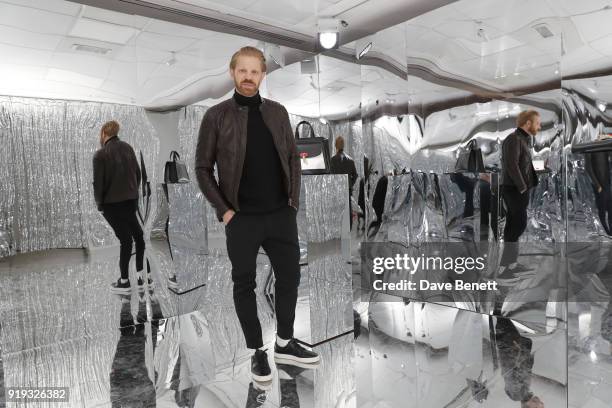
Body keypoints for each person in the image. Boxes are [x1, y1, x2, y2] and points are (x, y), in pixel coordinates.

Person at [195, 46, 320, 382]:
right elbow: (203, 168)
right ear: (233, 73)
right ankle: (256, 352)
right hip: (241, 218)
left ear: (263, 75)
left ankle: (284, 342)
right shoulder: (216, 116)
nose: (249, 77)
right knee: (244, 285)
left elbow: (293, 160)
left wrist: (292, 203)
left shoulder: (279, 113)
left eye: (255, 71)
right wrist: (225, 212)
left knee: (290, 278)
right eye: (243, 71)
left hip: (281, 214)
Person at [93, 121, 148, 293]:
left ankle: (124, 281)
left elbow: (98, 184)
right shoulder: (128, 148)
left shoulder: (100, 155)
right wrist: (132, 191)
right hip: (130, 201)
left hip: (112, 205)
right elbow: (138, 175)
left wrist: (99, 204)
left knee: (125, 240)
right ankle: (141, 276)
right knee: (138, 237)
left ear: (103, 134)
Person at [499, 110, 540, 276]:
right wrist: (523, 186)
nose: (540, 126)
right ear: (527, 123)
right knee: (517, 225)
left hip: (519, 188)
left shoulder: (523, 139)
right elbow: (512, 165)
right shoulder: (514, 139)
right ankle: (504, 267)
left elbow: (522, 164)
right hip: (514, 189)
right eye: (537, 122)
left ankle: (511, 265)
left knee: (514, 226)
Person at [330, 136, 358, 228]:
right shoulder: (350, 160)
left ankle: (338, 228)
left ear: (335, 146)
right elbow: (355, 175)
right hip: (347, 188)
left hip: (336, 189)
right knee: (347, 209)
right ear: (344, 146)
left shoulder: (332, 160)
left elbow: (330, 176)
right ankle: (348, 228)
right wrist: (350, 184)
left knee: (336, 209)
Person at [585, 148, 612, 235]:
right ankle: (605, 231)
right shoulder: (591, 147)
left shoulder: (604, 147)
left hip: (607, 183)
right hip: (599, 185)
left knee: (610, 208)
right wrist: (598, 186)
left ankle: (610, 231)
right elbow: (588, 168)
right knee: (602, 209)